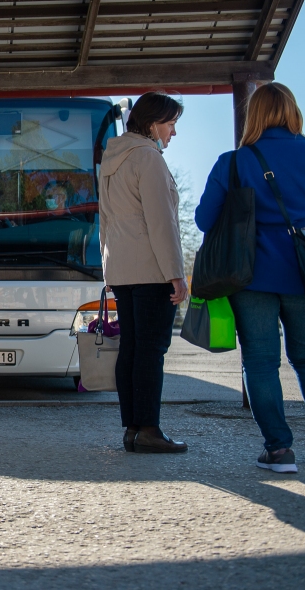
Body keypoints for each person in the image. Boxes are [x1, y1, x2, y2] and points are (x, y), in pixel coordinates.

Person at [196, 83, 305, 473]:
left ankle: (279, 451)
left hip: (250, 277)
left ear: (254, 116)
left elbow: (203, 220)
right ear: (292, 112)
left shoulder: (233, 162)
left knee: (261, 362)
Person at [99, 92, 189, 454]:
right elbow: (162, 223)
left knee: (132, 350)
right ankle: (149, 429)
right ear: (153, 125)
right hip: (152, 270)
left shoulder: (112, 159)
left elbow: (105, 222)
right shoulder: (148, 158)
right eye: (171, 124)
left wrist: (109, 272)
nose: (173, 133)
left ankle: (133, 428)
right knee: (151, 351)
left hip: (121, 270)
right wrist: (177, 274)